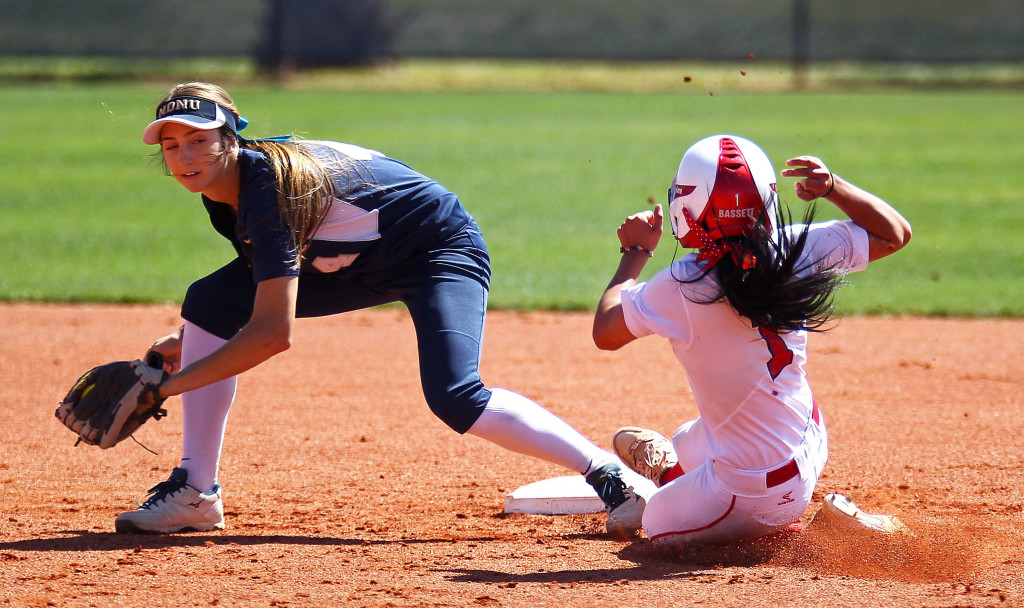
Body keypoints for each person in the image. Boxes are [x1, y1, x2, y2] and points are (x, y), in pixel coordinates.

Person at [114, 81, 645, 537]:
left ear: (232, 138)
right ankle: (196, 492)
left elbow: (274, 332)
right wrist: (193, 339)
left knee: (456, 395)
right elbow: (263, 291)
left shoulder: (268, 189)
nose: (185, 157)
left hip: (436, 251)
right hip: (352, 258)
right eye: (173, 145)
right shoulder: (221, 192)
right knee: (208, 302)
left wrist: (162, 389)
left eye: (200, 141)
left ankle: (606, 474)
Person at [592, 134, 911, 547]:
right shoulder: (796, 248)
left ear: (689, 207)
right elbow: (894, 233)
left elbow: (605, 333)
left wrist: (634, 252)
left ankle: (808, 534)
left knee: (655, 524)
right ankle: (682, 470)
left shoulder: (681, 284)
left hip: (755, 491)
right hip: (808, 440)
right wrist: (834, 187)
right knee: (689, 440)